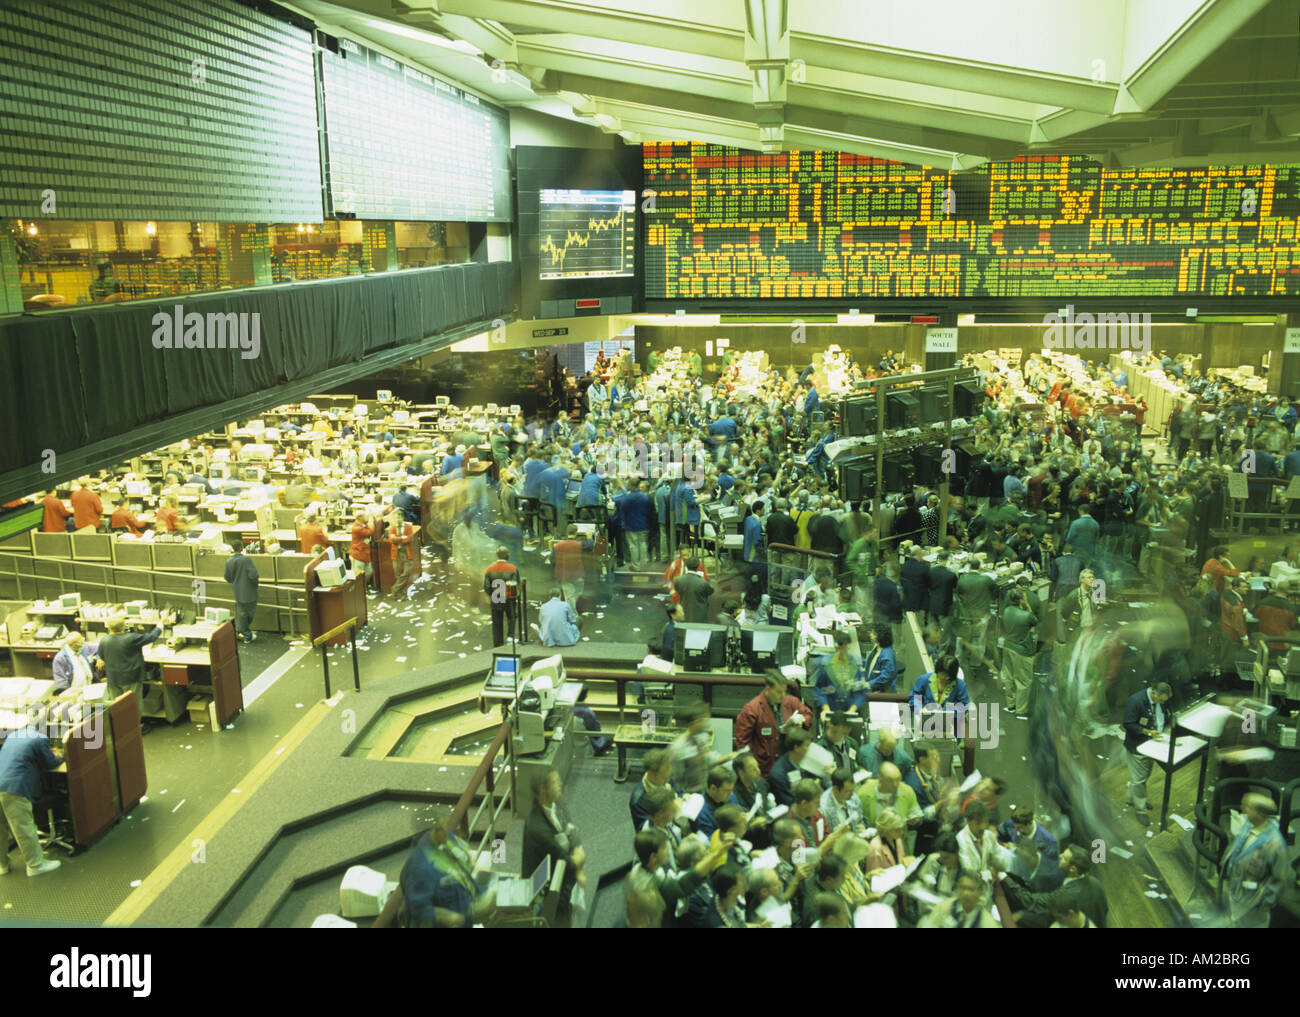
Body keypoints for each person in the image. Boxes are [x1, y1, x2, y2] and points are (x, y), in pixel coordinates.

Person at [398, 812, 496, 928]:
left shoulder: (446, 838)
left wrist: (468, 860)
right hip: (447, 921)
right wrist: (447, 917)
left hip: (465, 905)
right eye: (439, 829)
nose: (445, 831)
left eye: (443, 825)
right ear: (429, 832)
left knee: (500, 898)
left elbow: (465, 857)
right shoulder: (419, 868)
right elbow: (419, 910)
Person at [522, 768, 585, 926]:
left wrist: (577, 853)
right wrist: (578, 862)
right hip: (548, 889)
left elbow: (571, 829)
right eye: (555, 782)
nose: (561, 784)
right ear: (543, 790)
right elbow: (567, 863)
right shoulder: (537, 829)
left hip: (562, 874)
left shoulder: (557, 801)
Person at [0, 724, 64, 876]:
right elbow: (50, 763)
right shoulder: (40, 738)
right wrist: (63, 755)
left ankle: (2, 865)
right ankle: (35, 865)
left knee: (0, 827)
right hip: (14, 786)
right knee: (23, 826)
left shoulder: (14, 735)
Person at [1220, 792, 1290, 928]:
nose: (1243, 809)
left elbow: (1280, 878)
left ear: (1261, 814)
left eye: (1248, 807)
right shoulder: (1248, 826)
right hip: (1237, 895)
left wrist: (1264, 903)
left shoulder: (1275, 844)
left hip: (1254, 907)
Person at [733, 670, 813, 777]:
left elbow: (809, 715)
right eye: (779, 692)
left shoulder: (791, 702)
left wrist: (802, 721)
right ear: (768, 689)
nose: (783, 695)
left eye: (784, 691)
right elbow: (742, 743)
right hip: (764, 769)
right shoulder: (752, 710)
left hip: (789, 765)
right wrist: (750, 769)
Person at [1122, 682, 1172, 825]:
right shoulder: (1135, 701)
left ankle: (1132, 798)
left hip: (1154, 744)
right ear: (1154, 693)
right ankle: (1140, 810)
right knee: (1139, 780)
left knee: (1143, 776)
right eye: (1161, 700)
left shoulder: (1161, 701)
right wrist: (1148, 732)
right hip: (1138, 746)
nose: (1163, 703)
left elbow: (1167, 713)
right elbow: (1128, 724)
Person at [96, 615, 163, 718]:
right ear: (123, 626)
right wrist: (160, 625)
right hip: (131, 677)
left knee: (117, 705)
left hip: (113, 678)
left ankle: (121, 728)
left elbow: (101, 656)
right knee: (133, 703)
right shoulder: (131, 638)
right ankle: (135, 728)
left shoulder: (104, 640)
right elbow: (152, 637)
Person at [919, 869, 1000, 928]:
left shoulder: (988, 923)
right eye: (962, 888)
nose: (965, 893)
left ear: (980, 893)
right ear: (957, 888)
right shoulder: (943, 908)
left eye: (971, 889)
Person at [810, 629, 865, 714]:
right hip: (831, 710)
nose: (841, 649)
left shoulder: (856, 664)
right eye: (839, 645)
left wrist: (853, 709)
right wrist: (825, 707)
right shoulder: (825, 664)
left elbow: (860, 692)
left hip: (850, 710)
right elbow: (819, 689)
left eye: (844, 646)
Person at [224, 540, 260, 644]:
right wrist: (255, 583)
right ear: (241, 548)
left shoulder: (229, 561)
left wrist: (235, 583)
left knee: (242, 614)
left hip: (238, 592)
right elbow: (253, 575)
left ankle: (242, 632)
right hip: (250, 592)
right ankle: (247, 635)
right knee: (249, 614)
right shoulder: (246, 560)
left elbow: (227, 577)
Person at [483, 547, 520, 647]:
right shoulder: (513, 568)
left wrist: (493, 594)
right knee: (511, 617)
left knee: (497, 621)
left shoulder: (489, 569)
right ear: (507, 555)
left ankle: (498, 643)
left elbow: (486, 587)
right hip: (509, 598)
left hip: (496, 597)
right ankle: (510, 637)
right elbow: (516, 583)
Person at [674, 557, 713, 624]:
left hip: (684, 612)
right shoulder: (703, 582)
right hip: (700, 614)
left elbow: (678, 590)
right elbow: (710, 591)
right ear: (698, 566)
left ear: (686, 566)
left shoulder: (679, 580)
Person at [862, 623, 898, 693]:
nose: (870, 635)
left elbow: (886, 677)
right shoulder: (878, 646)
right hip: (873, 686)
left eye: (874, 634)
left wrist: (869, 684)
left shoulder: (887, 655)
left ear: (881, 637)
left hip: (882, 693)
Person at [386, 508, 416, 592]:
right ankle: (401, 592)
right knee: (397, 574)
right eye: (395, 518)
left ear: (403, 517)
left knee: (406, 573)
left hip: (406, 553)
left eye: (399, 517)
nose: (397, 519)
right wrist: (402, 538)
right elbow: (391, 540)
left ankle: (395, 589)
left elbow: (410, 539)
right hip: (396, 554)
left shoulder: (408, 527)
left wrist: (397, 539)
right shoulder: (392, 528)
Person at [349, 510, 375, 586]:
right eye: (365, 515)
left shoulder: (363, 524)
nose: (367, 517)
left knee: (369, 572)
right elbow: (371, 531)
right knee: (358, 575)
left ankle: (364, 589)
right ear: (360, 518)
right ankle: (358, 591)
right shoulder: (356, 528)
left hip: (365, 553)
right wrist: (371, 520)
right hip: (357, 555)